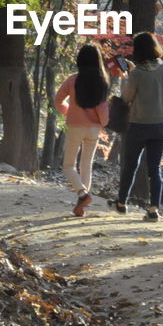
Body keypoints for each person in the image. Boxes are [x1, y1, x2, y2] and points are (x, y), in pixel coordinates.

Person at [113, 31, 163, 222]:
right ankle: (154, 209)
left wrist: (125, 77)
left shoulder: (136, 74)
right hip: (161, 125)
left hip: (139, 125)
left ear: (138, 50)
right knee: (155, 169)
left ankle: (122, 203)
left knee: (131, 165)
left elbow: (127, 98)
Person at [53, 43, 111, 217]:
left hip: (75, 127)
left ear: (80, 60)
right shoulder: (102, 82)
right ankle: (81, 206)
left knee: (68, 166)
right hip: (94, 129)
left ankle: (82, 194)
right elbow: (103, 110)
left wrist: (68, 111)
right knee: (86, 165)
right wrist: (103, 123)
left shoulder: (73, 79)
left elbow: (58, 100)